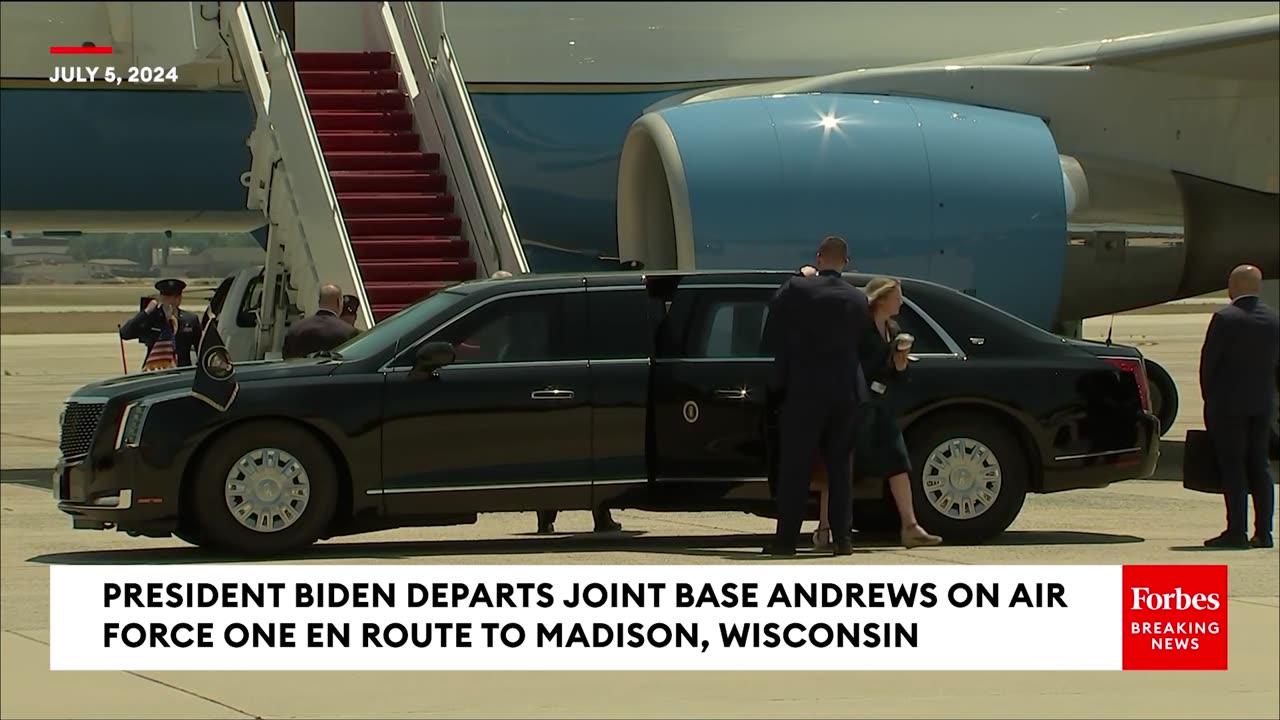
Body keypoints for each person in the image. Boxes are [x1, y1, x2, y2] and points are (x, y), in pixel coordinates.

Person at [804, 274, 944, 549]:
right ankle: (825, 527)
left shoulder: (892, 328)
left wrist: (900, 363)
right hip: (855, 403)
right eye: (897, 297)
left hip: (880, 405)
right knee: (840, 465)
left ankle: (910, 526)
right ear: (881, 298)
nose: (901, 302)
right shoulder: (859, 327)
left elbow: (896, 374)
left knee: (898, 461)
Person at [760, 236, 872, 557]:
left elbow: (776, 307)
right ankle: (843, 541)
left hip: (805, 391)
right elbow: (860, 339)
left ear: (819, 258)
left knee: (796, 468)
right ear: (846, 263)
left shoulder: (800, 289)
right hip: (845, 391)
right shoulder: (857, 298)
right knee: (840, 468)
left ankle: (786, 542)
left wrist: (801, 275)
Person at [1198, 264, 1279, 549]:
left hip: (1228, 405)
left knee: (1233, 466)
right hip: (1262, 404)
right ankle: (1264, 532)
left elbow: (1209, 364)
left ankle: (1237, 531)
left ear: (1235, 286)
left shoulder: (1224, 318)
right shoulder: (1273, 319)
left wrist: (1210, 398)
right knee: (1260, 465)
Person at [119, 278, 203, 368]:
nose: (172, 300)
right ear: (161, 297)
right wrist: (145, 312)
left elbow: (200, 348)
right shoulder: (151, 318)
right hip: (155, 369)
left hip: (182, 370)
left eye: (175, 296)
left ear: (180, 298)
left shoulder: (190, 319)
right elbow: (125, 333)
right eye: (167, 296)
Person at [282, 284, 360, 359]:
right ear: (339, 302)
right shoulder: (348, 332)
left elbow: (287, 357)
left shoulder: (296, 327)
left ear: (319, 301)